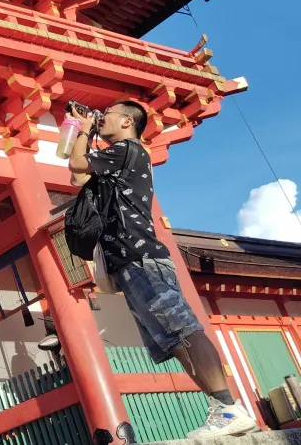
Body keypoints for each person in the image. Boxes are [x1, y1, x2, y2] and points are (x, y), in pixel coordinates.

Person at [68, 100, 258, 439]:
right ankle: (223, 410)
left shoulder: (128, 148)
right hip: (131, 260)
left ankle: (229, 407)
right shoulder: (118, 158)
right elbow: (77, 172)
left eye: (107, 114)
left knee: (182, 328)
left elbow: (76, 161)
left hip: (141, 257)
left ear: (127, 121)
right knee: (173, 339)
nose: (101, 118)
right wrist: (81, 131)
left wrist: (84, 131)